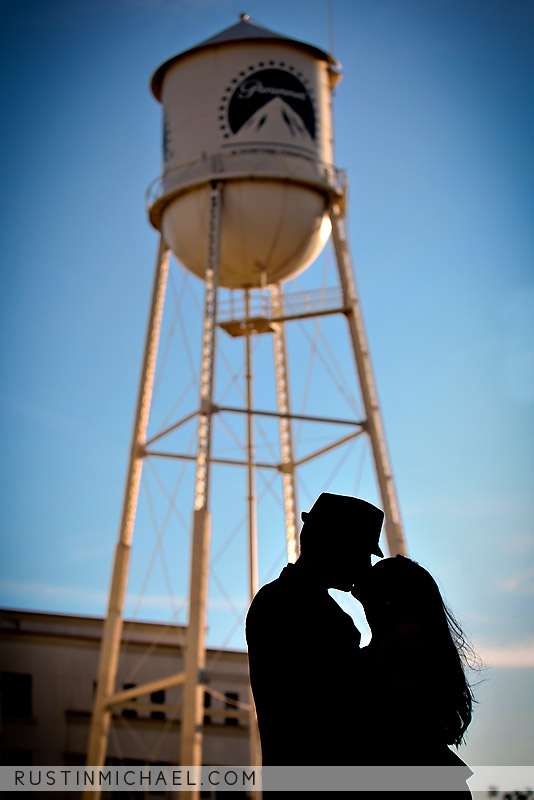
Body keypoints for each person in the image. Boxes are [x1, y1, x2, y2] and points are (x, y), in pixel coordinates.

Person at [245, 492, 385, 765]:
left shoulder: (273, 598)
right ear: (338, 545)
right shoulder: (320, 614)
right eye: (363, 552)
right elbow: (358, 705)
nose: (366, 567)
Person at [354, 555, 476, 795]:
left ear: (388, 601)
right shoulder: (420, 641)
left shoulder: (405, 643)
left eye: (369, 599)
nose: (366, 608)